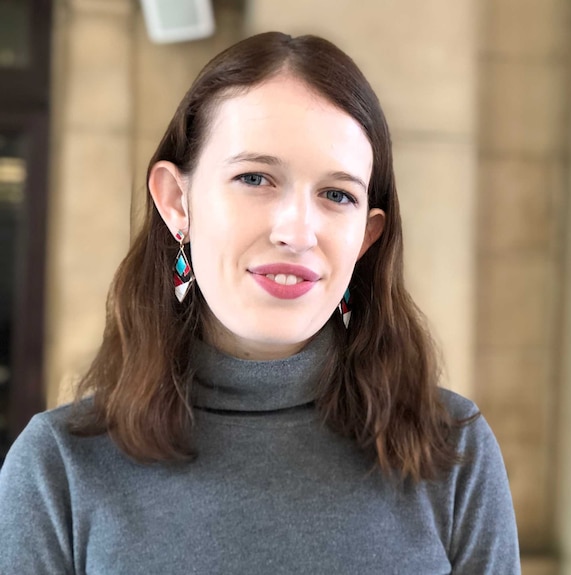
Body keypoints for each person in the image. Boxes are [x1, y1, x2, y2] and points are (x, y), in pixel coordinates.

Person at [0, 32, 519, 574]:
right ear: (177, 201)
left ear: (366, 238)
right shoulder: (58, 469)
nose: (297, 231)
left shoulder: (450, 451)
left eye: (337, 195)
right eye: (255, 178)